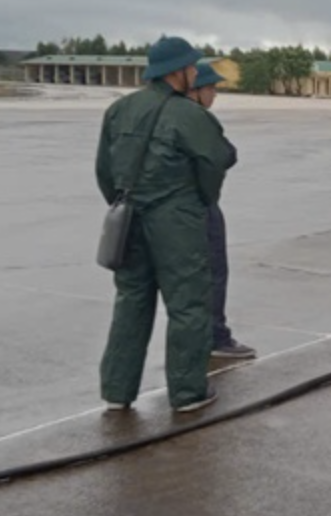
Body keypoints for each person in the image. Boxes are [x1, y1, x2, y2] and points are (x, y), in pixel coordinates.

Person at [95, 36, 233, 414]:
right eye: (191, 67)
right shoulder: (188, 115)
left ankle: (117, 390)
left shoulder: (119, 110)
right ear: (177, 72)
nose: (195, 73)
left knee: (131, 302)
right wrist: (200, 200)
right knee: (188, 304)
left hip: (129, 219)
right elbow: (216, 160)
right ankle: (188, 392)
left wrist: (123, 204)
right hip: (176, 221)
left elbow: (104, 171)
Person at [187, 61, 255, 360]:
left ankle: (190, 341)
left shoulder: (152, 112)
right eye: (211, 88)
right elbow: (225, 155)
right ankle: (215, 336)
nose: (214, 94)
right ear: (195, 90)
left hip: (160, 211)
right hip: (198, 207)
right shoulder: (197, 119)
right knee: (212, 272)